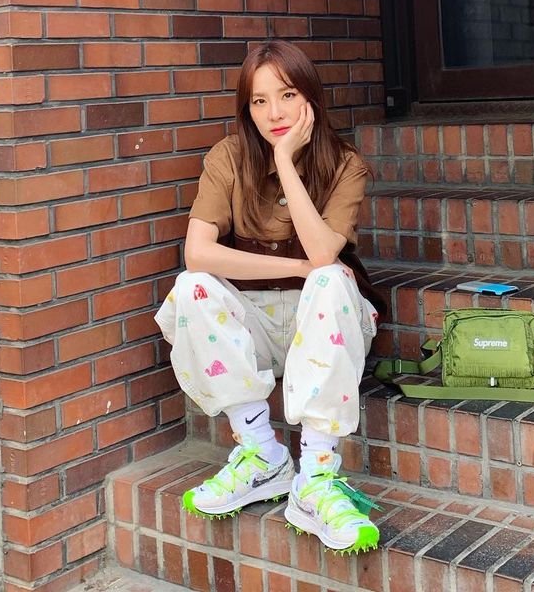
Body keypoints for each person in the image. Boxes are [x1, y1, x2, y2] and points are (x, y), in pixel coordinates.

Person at [154, 40, 383, 554]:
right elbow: (198, 253)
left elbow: (322, 254)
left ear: (311, 98)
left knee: (330, 279)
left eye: (287, 95)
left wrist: (284, 160)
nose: (274, 113)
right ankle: (262, 456)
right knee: (191, 288)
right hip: (254, 326)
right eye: (259, 101)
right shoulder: (229, 157)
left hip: (321, 322)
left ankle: (316, 477)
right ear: (247, 108)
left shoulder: (345, 164)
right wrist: (297, 267)